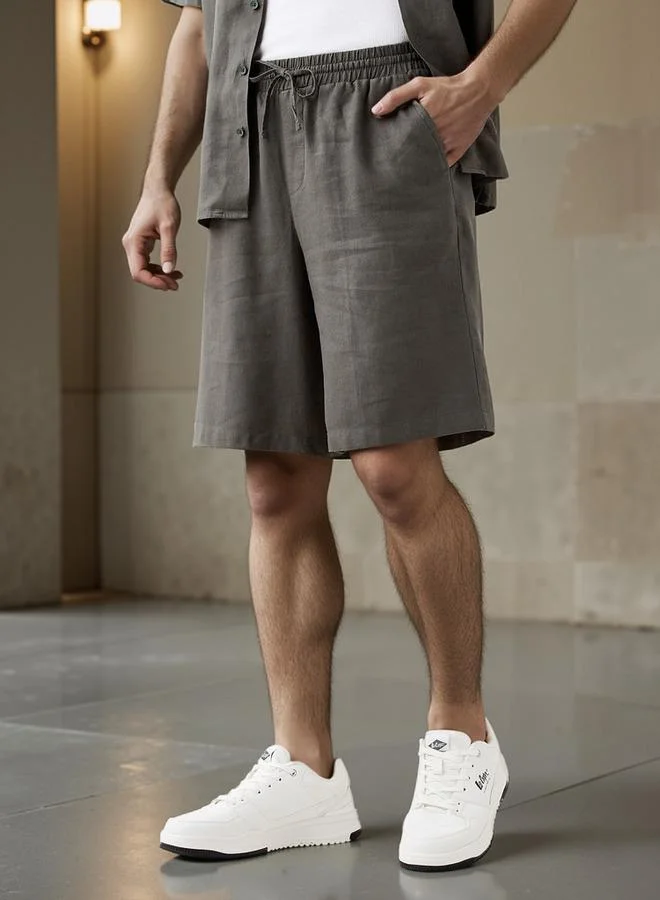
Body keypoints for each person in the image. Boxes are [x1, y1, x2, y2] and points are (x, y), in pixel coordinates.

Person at [123, 0, 577, 872]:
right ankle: (304, 770)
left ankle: (462, 738)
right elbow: (197, 25)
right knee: (275, 477)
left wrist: (480, 86)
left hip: (387, 109)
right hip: (248, 127)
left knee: (393, 465)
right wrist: (156, 180)